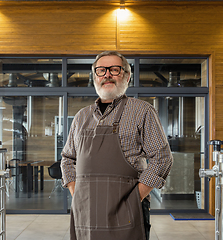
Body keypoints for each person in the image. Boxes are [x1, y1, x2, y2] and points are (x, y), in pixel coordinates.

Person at [61, 51, 173, 240]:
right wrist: (76, 193)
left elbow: (162, 159)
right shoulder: (81, 117)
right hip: (85, 210)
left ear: (127, 76)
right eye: (101, 70)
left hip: (127, 210)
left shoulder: (142, 111)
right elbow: (67, 158)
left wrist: (135, 199)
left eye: (114, 70)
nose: (107, 75)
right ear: (95, 77)